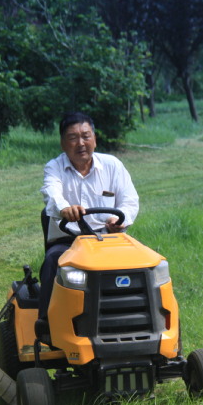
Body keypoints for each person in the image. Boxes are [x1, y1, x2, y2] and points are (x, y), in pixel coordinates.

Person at [38, 112, 139, 324]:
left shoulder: (112, 165)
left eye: (85, 136)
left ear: (94, 139)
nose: (81, 143)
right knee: (53, 261)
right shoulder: (54, 167)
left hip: (109, 240)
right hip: (69, 241)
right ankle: (47, 324)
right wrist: (65, 209)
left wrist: (120, 220)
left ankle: (133, 317)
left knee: (140, 263)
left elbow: (129, 200)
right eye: (73, 138)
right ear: (63, 143)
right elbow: (52, 193)